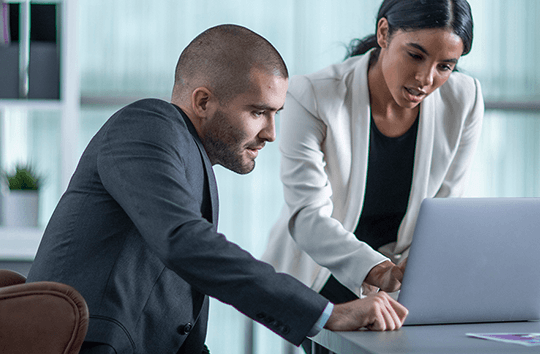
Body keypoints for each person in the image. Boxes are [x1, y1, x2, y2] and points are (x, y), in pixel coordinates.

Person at [26, 24, 408, 354]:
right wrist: (327, 312)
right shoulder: (145, 125)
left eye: (276, 114)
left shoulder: (187, 159)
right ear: (204, 101)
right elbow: (185, 242)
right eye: (258, 112)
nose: (271, 134)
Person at [263, 0, 484, 306]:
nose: (426, 78)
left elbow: (445, 207)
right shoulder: (312, 94)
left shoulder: (464, 98)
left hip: (405, 281)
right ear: (384, 33)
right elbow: (308, 215)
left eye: (445, 66)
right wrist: (379, 270)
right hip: (322, 273)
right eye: (415, 55)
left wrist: (411, 276)